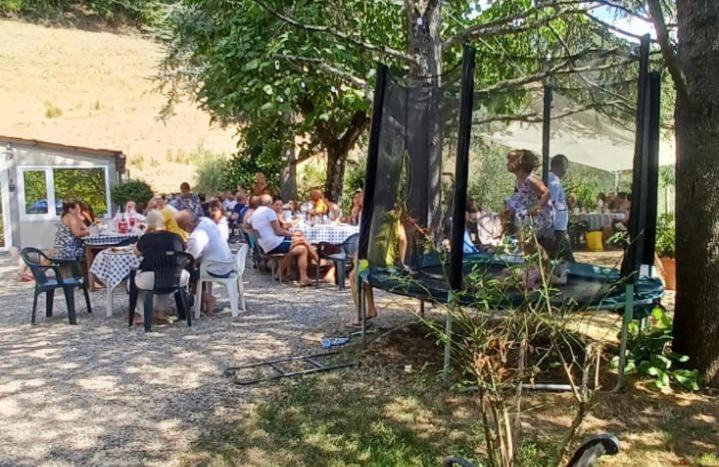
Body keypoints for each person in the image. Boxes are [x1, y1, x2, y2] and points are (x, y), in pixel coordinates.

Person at [133, 210, 188, 324]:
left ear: (149, 224)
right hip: (176, 277)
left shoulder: (146, 238)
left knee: (133, 282)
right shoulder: (176, 237)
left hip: (151, 277)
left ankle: (144, 315)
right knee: (165, 271)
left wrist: (146, 232)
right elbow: (185, 249)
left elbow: (136, 252)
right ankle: (161, 313)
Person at [176, 210, 235, 314]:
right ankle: (203, 303)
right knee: (196, 268)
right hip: (227, 262)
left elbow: (190, 257)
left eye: (183, 228)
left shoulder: (197, 235)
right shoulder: (205, 221)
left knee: (187, 273)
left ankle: (206, 298)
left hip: (216, 267)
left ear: (189, 225)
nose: (185, 231)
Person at [250, 194, 313, 286]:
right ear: (271, 203)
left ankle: (282, 272)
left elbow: (246, 225)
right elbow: (278, 232)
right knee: (302, 245)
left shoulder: (255, 213)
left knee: (300, 246)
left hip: (264, 244)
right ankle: (304, 276)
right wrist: (292, 234)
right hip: (274, 244)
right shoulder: (269, 212)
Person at [504, 149, 555, 245]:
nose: (507, 164)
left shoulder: (530, 179)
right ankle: (519, 244)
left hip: (542, 214)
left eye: (510, 161)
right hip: (529, 209)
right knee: (510, 204)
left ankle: (521, 247)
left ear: (521, 164)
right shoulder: (518, 181)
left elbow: (547, 193)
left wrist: (537, 207)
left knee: (520, 216)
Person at [547, 154, 575, 283]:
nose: (565, 171)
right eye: (565, 167)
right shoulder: (553, 181)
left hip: (558, 227)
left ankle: (557, 279)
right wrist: (550, 227)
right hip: (557, 228)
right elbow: (550, 204)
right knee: (567, 258)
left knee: (556, 257)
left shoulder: (554, 179)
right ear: (558, 166)